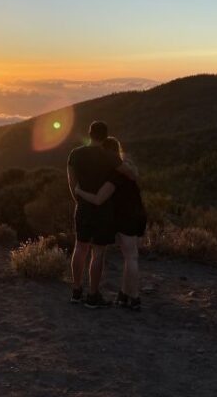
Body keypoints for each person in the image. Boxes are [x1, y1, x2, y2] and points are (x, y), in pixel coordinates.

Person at [67, 121, 137, 309]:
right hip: (102, 210)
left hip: (82, 207)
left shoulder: (75, 154)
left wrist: (79, 200)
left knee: (80, 248)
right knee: (98, 252)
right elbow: (131, 175)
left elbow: (72, 184)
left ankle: (76, 290)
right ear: (105, 136)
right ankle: (92, 295)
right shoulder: (110, 157)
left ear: (89, 134)